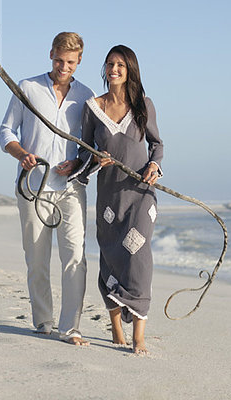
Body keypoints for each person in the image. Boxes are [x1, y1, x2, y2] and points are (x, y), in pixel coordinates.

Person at [0, 32, 94, 346]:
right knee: (37, 260)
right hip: (31, 188)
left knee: (75, 258)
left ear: (79, 61)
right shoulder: (28, 88)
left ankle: (71, 328)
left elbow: (89, 145)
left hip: (70, 188)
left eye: (70, 61)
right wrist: (21, 154)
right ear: (50, 54)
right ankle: (43, 323)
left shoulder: (87, 96)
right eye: (58, 59)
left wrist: (78, 162)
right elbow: (6, 130)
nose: (62, 66)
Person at [76, 45, 164, 354]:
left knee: (139, 259)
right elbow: (83, 151)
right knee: (111, 258)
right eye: (110, 64)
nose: (114, 69)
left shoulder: (144, 105)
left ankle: (139, 334)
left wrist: (154, 165)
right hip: (109, 196)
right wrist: (94, 160)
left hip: (141, 193)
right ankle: (116, 326)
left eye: (120, 65)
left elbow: (157, 144)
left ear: (130, 71)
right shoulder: (92, 107)